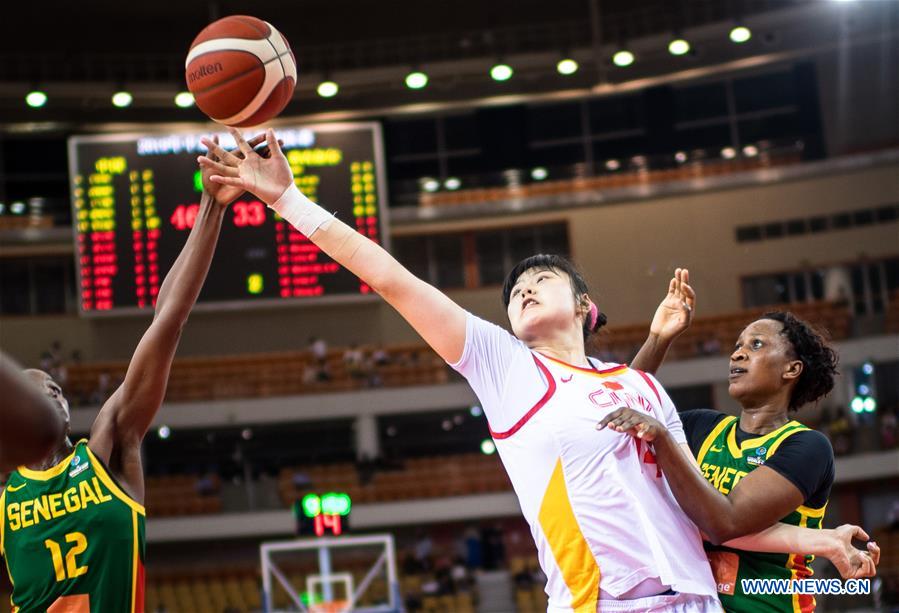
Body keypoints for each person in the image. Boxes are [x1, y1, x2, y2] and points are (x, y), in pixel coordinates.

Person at [201, 128, 874, 612]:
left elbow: (706, 516)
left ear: (585, 306)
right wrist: (289, 202)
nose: (521, 287)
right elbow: (392, 278)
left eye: (540, 277)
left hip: (696, 598)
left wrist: (820, 542)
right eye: (512, 288)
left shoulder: (642, 387)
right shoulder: (507, 368)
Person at [0, 134, 270, 612]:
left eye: (56, 390)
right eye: (36, 392)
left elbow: (168, 317)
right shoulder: (6, 491)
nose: (52, 396)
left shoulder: (108, 445)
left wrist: (211, 208)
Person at [604, 269, 880, 612]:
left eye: (756, 345)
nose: (737, 354)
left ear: (791, 369)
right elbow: (619, 416)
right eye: (737, 346)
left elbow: (726, 523)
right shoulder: (701, 427)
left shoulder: (806, 447)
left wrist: (661, 438)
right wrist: (659, 338)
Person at [0, 351, 66, 472]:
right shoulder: (12, 484)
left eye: (54, 389)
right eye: (37, 390)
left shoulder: (93, 454)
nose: (50, 392)